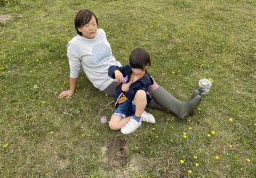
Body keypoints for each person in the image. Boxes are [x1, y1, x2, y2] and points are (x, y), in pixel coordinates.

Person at [58, 9, 202, 119]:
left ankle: (180, 107)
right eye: (87, 25)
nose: (92, 28)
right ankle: (180, 108)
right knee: (139, 90)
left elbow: (108, 57)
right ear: (79, 28)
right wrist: (71, 90)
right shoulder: (74, 45)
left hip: (119, 70)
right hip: (105, 81)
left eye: (94, 24)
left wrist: (121, 70)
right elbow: (74, 69)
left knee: (147, 80)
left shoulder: (100, 33)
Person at [108, 48, 156, 134]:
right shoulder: (128, 69)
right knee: (112, 125)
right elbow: (111, 68)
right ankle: (137, 116)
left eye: (139, 68)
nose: (135, 71)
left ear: (146, 65)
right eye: (133, 67)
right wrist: (116, 71)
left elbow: (136, 95)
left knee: (141, 93)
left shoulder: (145, 80)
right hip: (123, 104)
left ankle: (136, 120)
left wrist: (126, 91)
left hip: (135, 103)